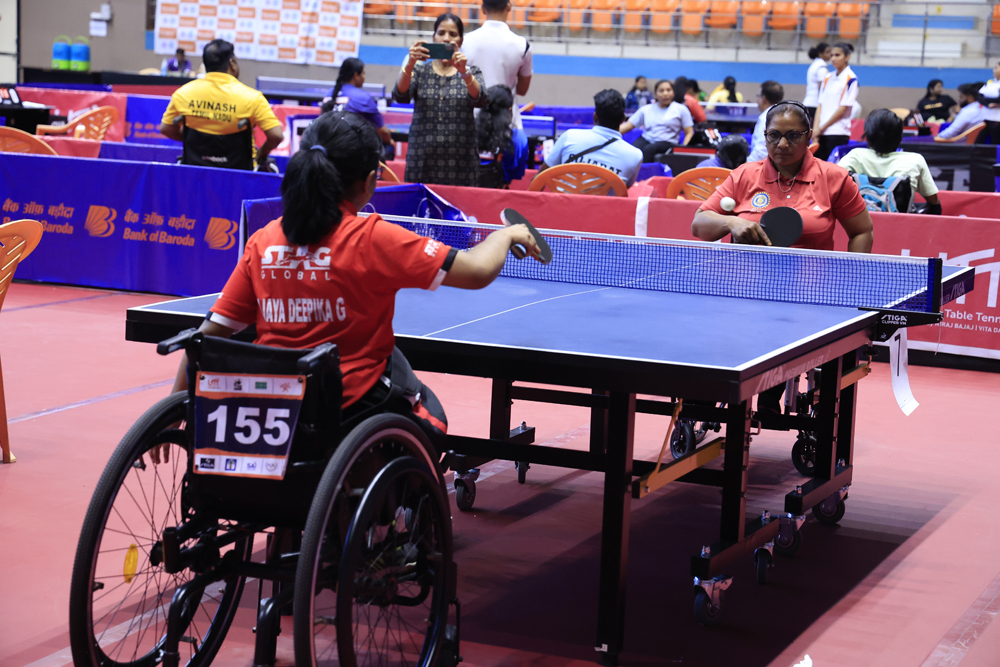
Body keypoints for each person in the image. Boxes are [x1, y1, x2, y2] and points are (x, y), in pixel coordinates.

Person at [167, 110, 542, 439]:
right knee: (431, 415)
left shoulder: (264, 241)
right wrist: (505, 235)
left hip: (271, 404)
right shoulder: (375, 238)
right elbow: (477, 271)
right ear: (368, 181)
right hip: (349, 404)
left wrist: (173, 407)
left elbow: (207, 336)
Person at [692, 100, 873, 252]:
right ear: (765, 136)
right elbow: (699, 224)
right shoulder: (744, 175)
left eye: (793, 136)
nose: (782, 144)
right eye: (774, 135)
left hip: (813, 280)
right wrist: (731, 222)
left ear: (808, 137)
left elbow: (862, 231)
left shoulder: (834, 177)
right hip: (750, 278)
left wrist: (853, 273)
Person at [159, 39, 282, 171]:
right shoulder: (253, 98)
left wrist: (195, 142)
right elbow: (276, 136)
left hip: (195, 174)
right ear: (232, 63)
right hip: (239, 175)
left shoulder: (183, 93)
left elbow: (166, 128)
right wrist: (263, 152)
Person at [393, 13, 486, 186]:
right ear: (433, 37)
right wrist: (410, 64)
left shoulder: (472, 72)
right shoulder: (419, 71)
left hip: (461, 163)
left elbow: (480, 99)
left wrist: (464, 72)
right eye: (441, 33)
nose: (446, 38)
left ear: (461, 41)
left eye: (453, 34)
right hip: (422, 160)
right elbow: (400, 95)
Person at [462, 0, 532, 177]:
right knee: (505, 179)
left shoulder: (464, 42)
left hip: (469, 123)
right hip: (508, 127)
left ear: (482, 8)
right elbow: (522, 89)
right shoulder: (522, 45)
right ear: (509, 6)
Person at [838, 109, 941, 214]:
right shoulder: (915, 160)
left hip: (858, 221)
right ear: (899, 136)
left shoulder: (855, 156)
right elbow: (934, 203)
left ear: (868, 134)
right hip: (901, 223)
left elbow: (831, 187)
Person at [539, 89, 643, 186]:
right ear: (623, 119)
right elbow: (623, 190)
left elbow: (539, 180)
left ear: (595, 116)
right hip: (604, 201)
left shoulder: (569, 137)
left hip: (564, 200)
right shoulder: (635, 156)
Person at [322, 57, 393, 150]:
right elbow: (383, 132)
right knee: (388, 147)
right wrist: (390, 141)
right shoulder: (364, 98)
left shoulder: (328, 94)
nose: (364, 77)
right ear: (355, 75)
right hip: (351, 149)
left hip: (327, 146)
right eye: (363, 73)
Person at [619, 80, 694, 162]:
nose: (665, 93)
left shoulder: (681, 109)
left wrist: (683, 148)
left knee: (649, 149)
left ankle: (644, 170)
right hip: (647, 139)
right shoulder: (646, 109)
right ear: (655, 94)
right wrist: (610, 131)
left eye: (668, 90)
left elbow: (689, 132)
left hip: (668, 143)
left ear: (673, 93)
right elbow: (627, 126)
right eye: (661, 91)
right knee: (634, 150)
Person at [813, 42, 859, 161]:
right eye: (832, 55)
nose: (833, 58)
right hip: (821, 133)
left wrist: (821, 128)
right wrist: (816, 129)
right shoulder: (827, 77)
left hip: (838, 133)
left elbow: (843, 109)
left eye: (837, 55)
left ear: (847, 57)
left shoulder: (851, 79)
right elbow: (820, 104)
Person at [477, 85, 529, 188]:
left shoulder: (467, 133)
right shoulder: (518, 139)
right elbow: (516, 174)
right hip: (498, 194)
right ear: (510, 110)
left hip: (465, 194)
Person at [747, 80, 784, 162]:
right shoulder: (783, 113)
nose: (757, 100)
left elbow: (761, 152)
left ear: (763, 99)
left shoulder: (766, 118)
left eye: (758, 96)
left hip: (763, 166)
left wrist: (744, 165)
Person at [802, 42, 831, 121]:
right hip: (815, 105)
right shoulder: (821, 67)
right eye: (827, 52)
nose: (830, 55)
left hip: (809, 103)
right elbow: (822, 87)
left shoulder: (815, 64)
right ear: (820, 54)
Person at [978, 63, 1000, 143]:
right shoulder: (990, 83)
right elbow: (979, 96)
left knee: (995, 141)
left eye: (996, 68)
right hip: (985, 118)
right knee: (979, 141)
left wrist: (992, 102)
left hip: (997, 119)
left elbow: (998, 99)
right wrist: (987, 104)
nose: (994, 70)